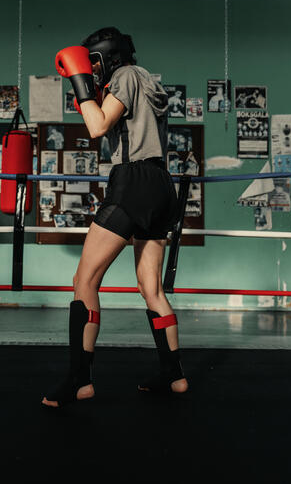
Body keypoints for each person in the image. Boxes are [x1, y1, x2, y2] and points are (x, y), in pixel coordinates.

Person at [47, 27, 188, 407]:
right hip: (161, 184)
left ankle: (80, 379)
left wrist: (80, 84)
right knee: (152, 289)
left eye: (93, 61)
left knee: (84, 279)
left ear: (109, 57)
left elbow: (97, 126)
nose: (90, 68)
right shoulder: (147, 81)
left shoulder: (124, 76)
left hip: (133, 182)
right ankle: (174, 375)